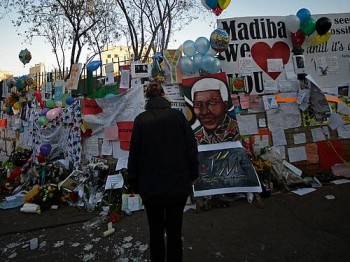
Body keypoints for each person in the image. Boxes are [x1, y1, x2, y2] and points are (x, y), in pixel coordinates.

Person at [127, 81, 199, 262]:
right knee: (175, 231)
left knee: (155, 231)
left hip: (150, 188)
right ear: (164, 95)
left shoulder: (141, 120)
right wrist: (193, 174)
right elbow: (191, 147)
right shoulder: (178, 117)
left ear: (147, 98)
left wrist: (133, 182)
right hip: (177, 184)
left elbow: (134, 154)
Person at [191, 77, 240, 144]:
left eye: (212, 102)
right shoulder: (194, 139)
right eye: (198, 104)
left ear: (225, 105)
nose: (204, 111)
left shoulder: (240, 131)